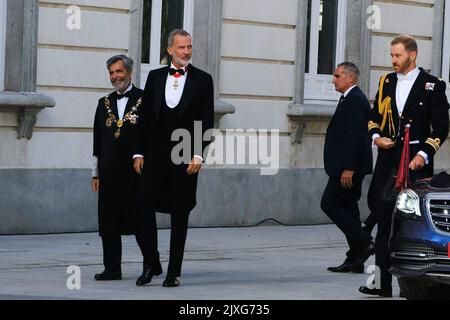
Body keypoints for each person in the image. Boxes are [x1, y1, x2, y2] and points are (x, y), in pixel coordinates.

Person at [359, 35, 449, 297]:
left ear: (413, 55)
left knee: (411, 221)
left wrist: (424, 153)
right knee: (383, 218)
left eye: (397, 55)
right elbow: (374, 116)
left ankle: (415, 281)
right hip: (389, 159)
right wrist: (377, 138)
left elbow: (442, 127)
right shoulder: (386, 81)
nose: (393, 60)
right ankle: (381, 283)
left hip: (415, 160)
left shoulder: (433, 85)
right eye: (391, 55)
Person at [133, 29, 214, 287]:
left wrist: (199, 153)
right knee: (142, 207)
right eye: (181, 47)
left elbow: (206, 119)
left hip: (184, 155)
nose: (187, 52)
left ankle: (173, 272)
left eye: (189, 47)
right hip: (154, 156)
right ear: (170, 50)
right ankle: (151, 263)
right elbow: (144, 118)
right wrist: (138, 151)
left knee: (180, 214)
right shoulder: (155, 77)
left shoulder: (203, 79)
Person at [92, 55, 144, 280]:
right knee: (108, 220)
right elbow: (97, 139)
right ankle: (112, 268)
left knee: (139, 219)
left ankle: (151, 264)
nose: (115, 77)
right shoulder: (103, 103)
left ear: (129, 73)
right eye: (112, 73)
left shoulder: (145, 99)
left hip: (136, 172)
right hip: (109, 172)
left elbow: (151, 134)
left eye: (119, 72)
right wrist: (96, 173)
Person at [321, 62, 375, 274]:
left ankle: (364, 241)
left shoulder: (355, 100)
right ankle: (356, 258)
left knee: (329, 204)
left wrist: (349, 168)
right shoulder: (349, 98)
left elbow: (357, 138)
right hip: (344, 166)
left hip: (347, 169)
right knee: (349, 210)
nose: (333, 79)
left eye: (337, 76)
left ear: (350, 78)